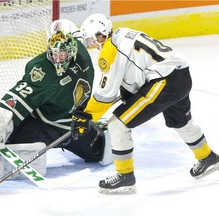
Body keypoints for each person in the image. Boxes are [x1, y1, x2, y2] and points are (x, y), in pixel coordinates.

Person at [0, 19, 112, 184]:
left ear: (73, 47)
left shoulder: (83, 52)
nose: (57, 59)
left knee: (101, 151)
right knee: (2, 145)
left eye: (63, 54)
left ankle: (97, 130)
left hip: (73, 125)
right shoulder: (41, 70)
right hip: (45, 124)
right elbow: (17, 98)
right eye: (54, 53)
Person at [71, 13, 219, 194]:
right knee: (181, 121)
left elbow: (106, 94)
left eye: (91, 40)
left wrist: (85, 116)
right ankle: (207, 157)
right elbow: (137, 66)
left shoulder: (110, 49)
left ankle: (125, 176)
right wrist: (129, 91)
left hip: (164, 82)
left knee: (117, 124)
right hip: (180, 75)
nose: (92, 44)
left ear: (100, 35)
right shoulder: (123, 33)